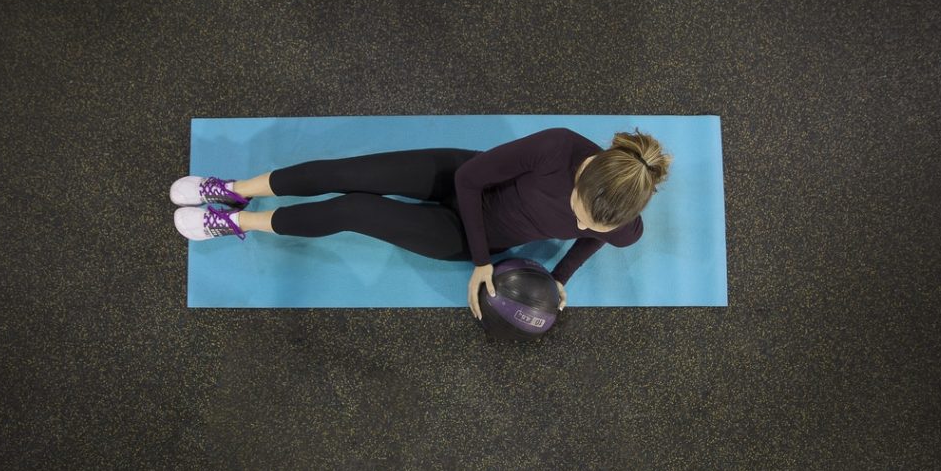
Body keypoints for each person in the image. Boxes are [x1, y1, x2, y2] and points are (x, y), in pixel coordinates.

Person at [171, 127, 671, 321]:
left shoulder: (619, 223)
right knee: (349, 172)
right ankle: (234, 187)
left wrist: (558, 280)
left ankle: (238, 221)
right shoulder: (559, 147)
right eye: (579, 210)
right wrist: (483, 265)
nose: (581, 225)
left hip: (457, 238)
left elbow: (596, 240)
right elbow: (472, 178)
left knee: (353, 209)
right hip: (461, 180)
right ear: (588, 171)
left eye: (591, 225)